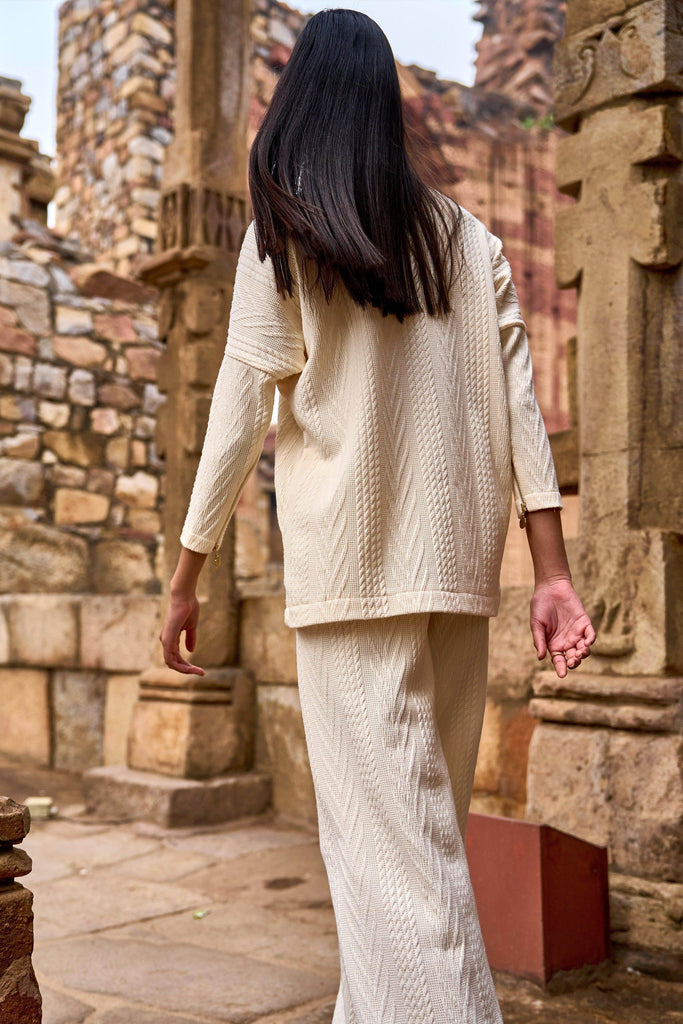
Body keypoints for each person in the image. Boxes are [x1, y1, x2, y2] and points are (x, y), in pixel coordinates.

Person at [159, 9, 596, 1022]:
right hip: (454, 579)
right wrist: (550, 570)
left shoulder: (284, 238)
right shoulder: (467, 240)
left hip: (352, 582)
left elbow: (234, 420)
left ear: (301, 101)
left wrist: (185, 577)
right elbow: (521, 408)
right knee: (409, 852)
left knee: (395, 871)